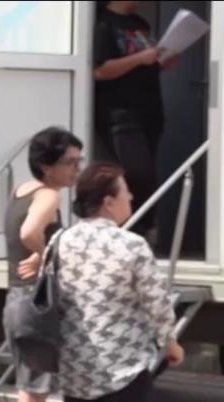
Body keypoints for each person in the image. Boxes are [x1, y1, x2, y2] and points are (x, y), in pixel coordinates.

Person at [55, 162, 184, 402]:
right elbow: (157, 303)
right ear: (109, 202)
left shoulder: (61, 240)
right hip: (123, 367)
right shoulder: (131, 244)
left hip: (76, 366)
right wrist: (170, 343)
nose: (132, 197)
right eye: (126, 191)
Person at [3, 127, 82, 402]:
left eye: (79, 161)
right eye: (70, 162)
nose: (77, 169)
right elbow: (28, 233)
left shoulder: (21, 190)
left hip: (16, 298)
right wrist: (44, 254)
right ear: (47, 166)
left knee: (29, 395)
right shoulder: (49, 195)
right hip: (36, 301)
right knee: (32, 397)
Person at [93, 0, 178, 240]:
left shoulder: (140, 23)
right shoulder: (103, 24)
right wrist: (140, 58)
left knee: (146, 176)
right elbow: (99, 70)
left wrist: (162, 61)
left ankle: (143, 231)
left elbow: (146, 65)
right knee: (137, 175)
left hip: (149, 111)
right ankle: (132, 231)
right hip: (120, 112)